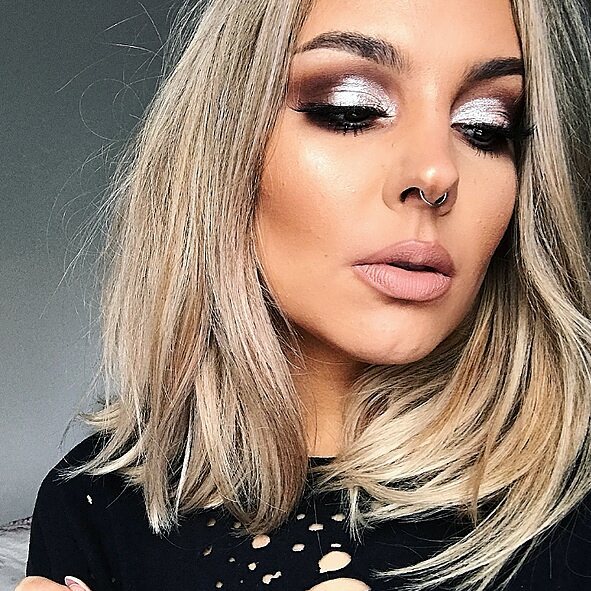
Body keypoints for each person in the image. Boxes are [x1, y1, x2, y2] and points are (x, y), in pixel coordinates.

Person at [15, 0, 591, 589]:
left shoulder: (575, 504)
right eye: (350, 110)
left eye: (486, 127)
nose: (436, 173)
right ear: (222, 151)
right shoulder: (96, 507)